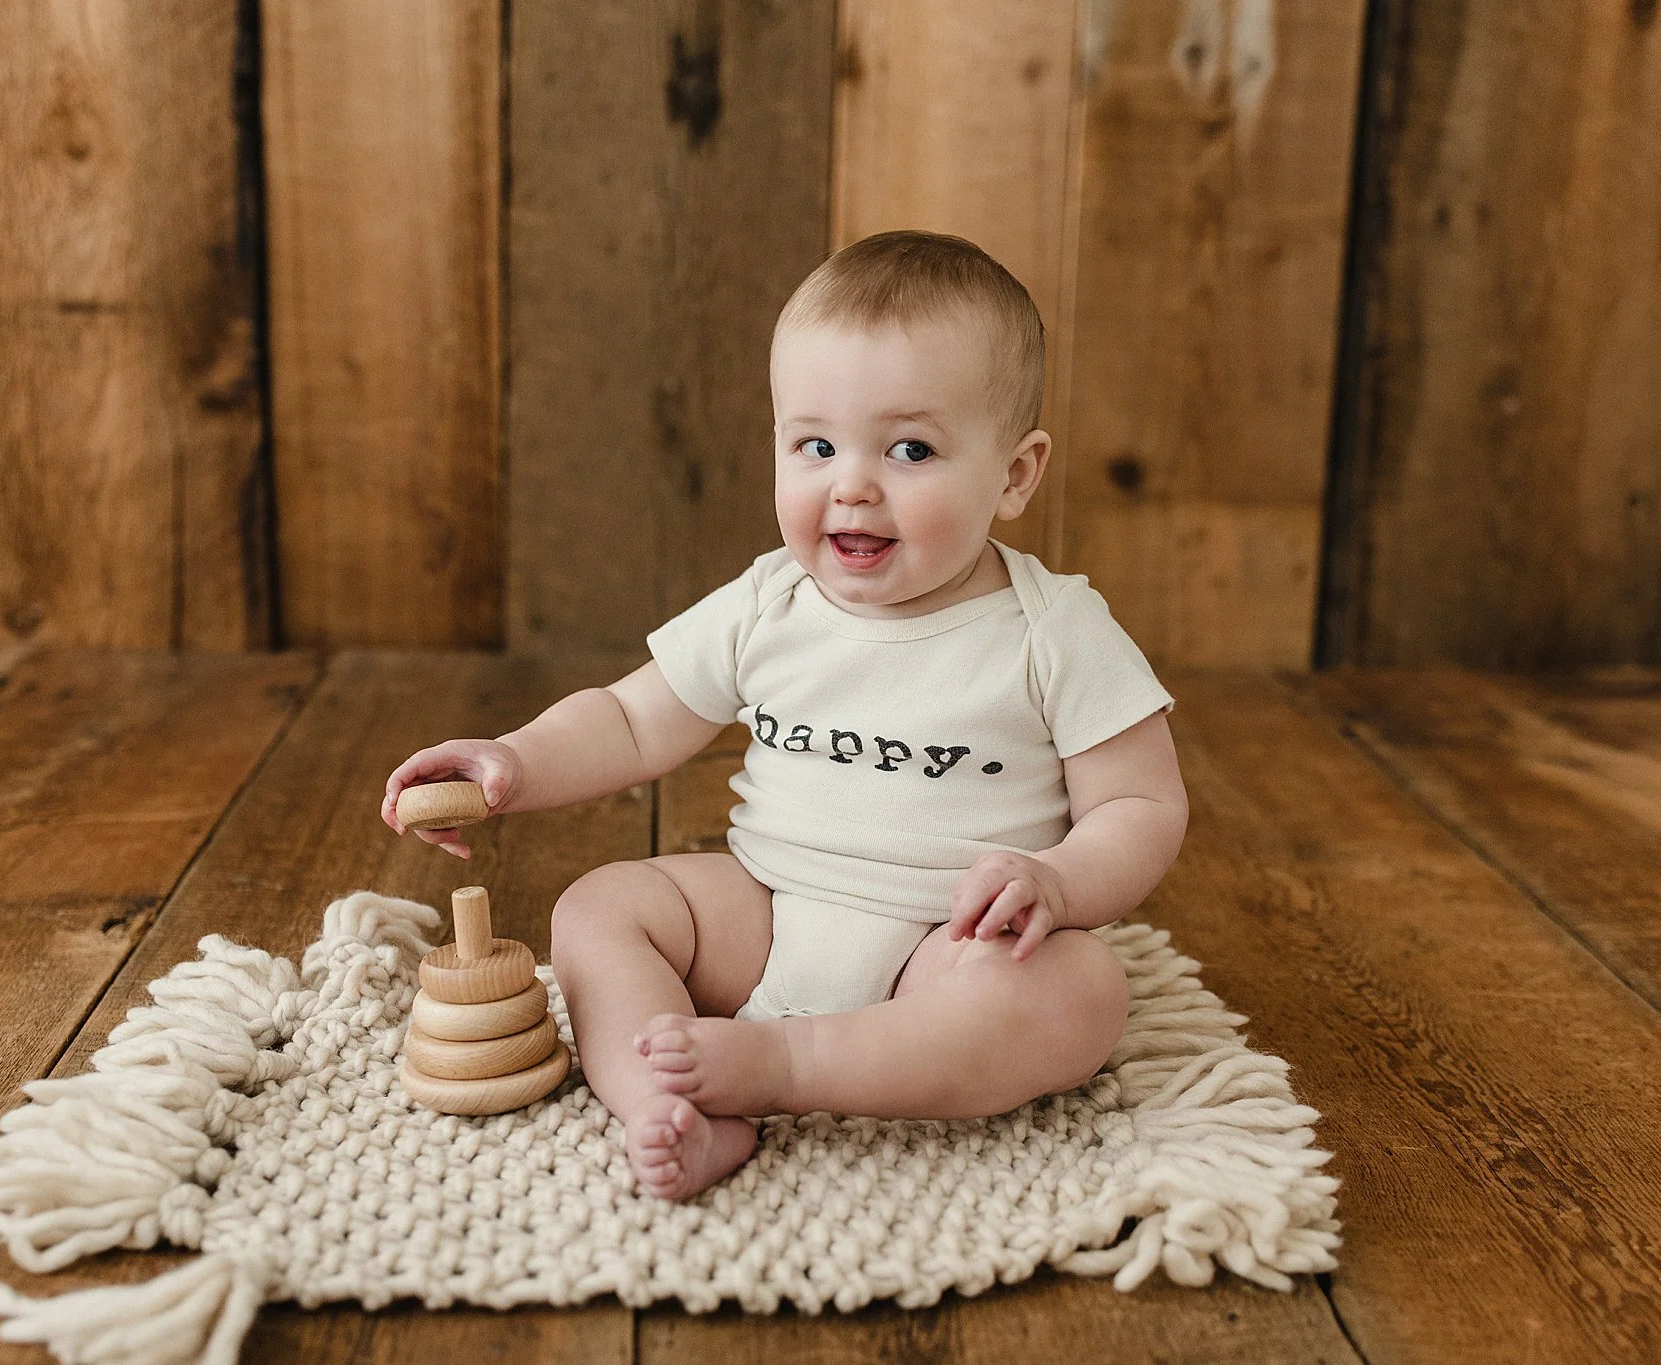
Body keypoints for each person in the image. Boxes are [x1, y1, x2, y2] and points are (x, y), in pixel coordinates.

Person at [382, 230, 1188, 1201]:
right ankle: (665, 1107)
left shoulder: (1051, 631)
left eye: (909, 448)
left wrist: (1054, 883)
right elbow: (632, 722)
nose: (850, 484)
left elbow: (1139, 806)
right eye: (814, 445)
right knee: (599, 907)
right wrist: (510, 760)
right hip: (766, 912)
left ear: (1013, 475)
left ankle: (789, 1066)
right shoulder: (768, 603)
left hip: (943, 950)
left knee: (1080, 997)